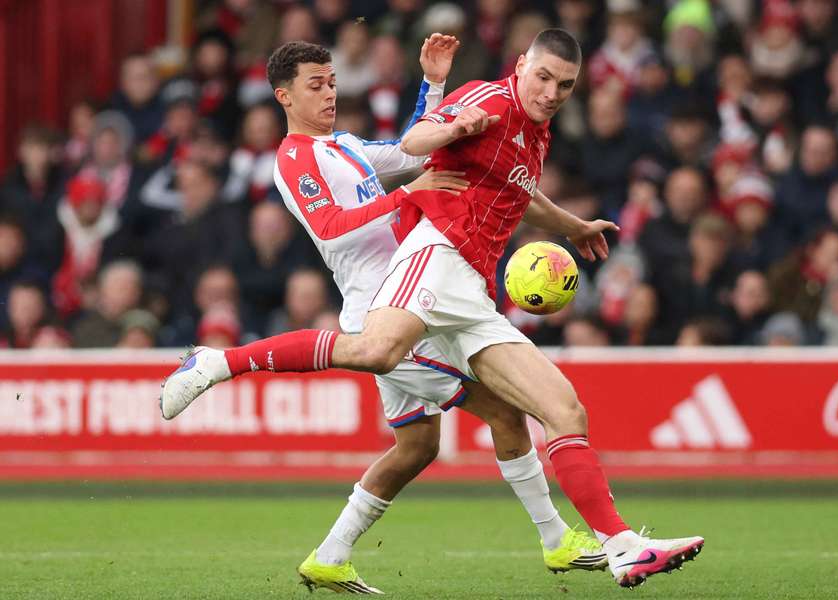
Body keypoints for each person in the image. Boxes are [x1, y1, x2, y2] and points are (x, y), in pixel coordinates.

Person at [161, 30, 703, 589]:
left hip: (441, 288)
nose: (328, 94)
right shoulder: (294, 157)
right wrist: (411, 189)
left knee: (461, 433)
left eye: (332, 83)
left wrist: (433, 84)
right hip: (408, 282)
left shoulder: (347, 146)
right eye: (315, 86)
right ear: (284, 97)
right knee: (440, 383)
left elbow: (417, 151)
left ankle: (335, 553)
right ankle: (217, 363)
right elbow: (349, 210)